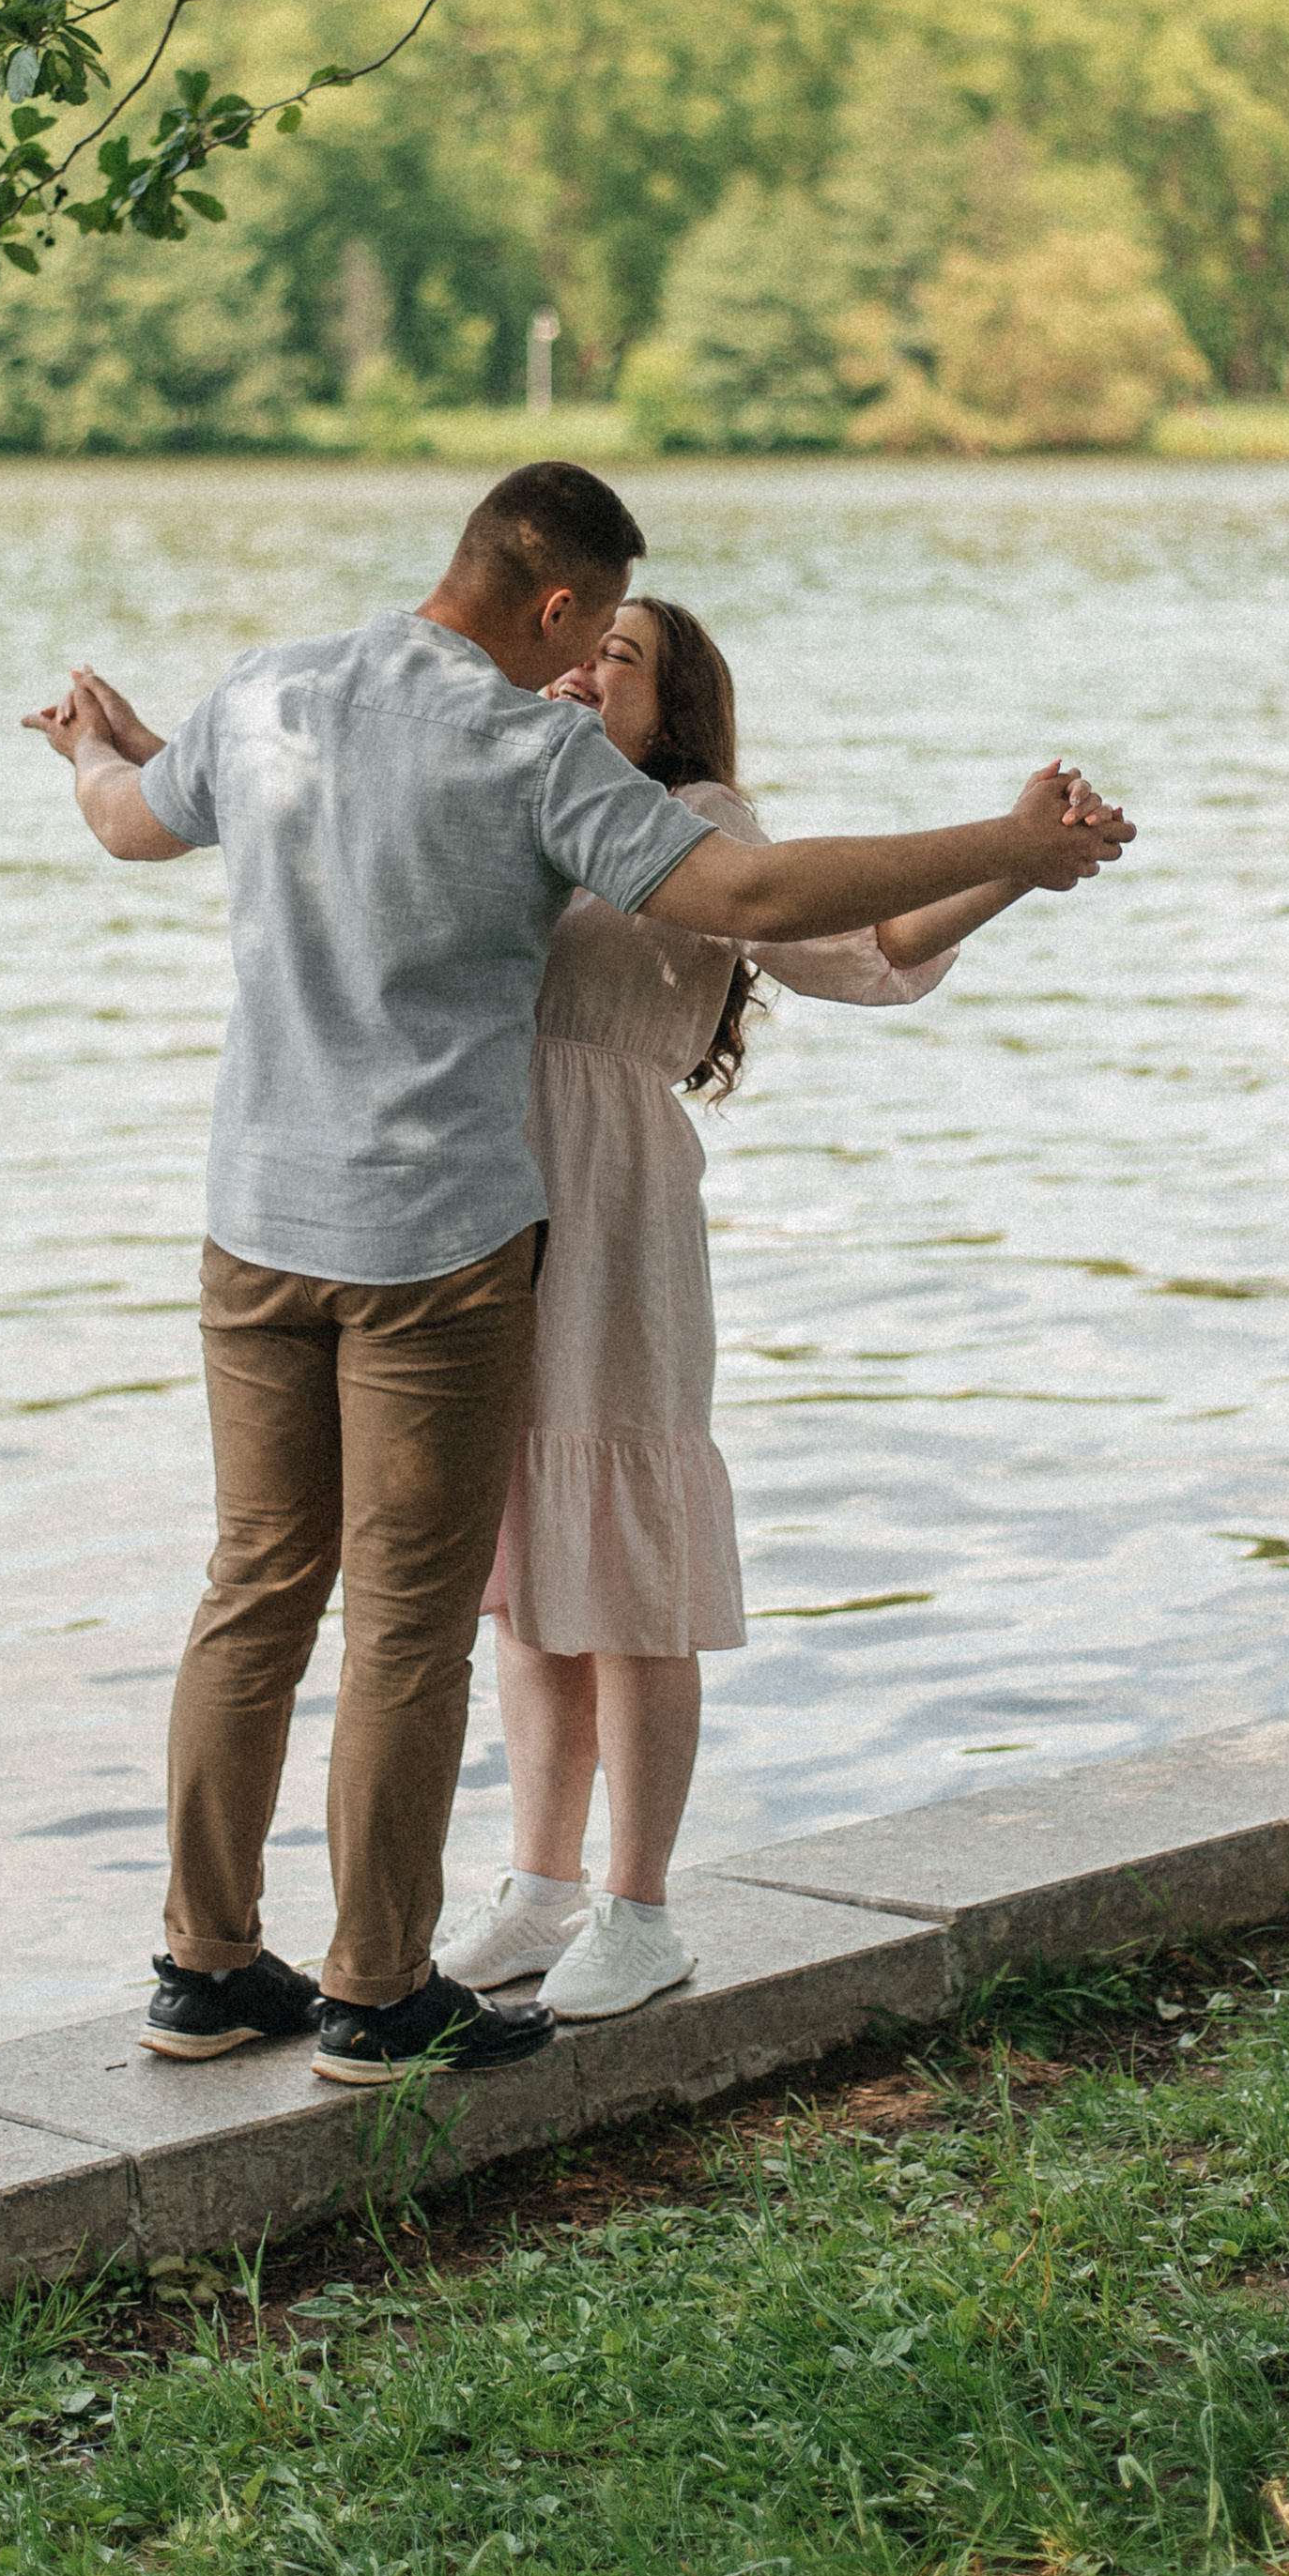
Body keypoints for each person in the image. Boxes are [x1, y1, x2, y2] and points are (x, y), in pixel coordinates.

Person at [23, 461, 1134, 2091]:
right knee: (412, 1622)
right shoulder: (520, 745)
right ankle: (379, 1993)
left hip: (254, 1223)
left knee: (257, 1586)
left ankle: (201, 1966)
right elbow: (751, 896)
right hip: (437, 1241)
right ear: (557, 606)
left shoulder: (268, 694)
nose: (596, 657)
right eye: (598, 629)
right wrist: (1009, 836)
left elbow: (129, 825)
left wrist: (94, 749)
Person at [438, 596, 1054, 2021]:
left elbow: (873, 949)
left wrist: (1015, 865)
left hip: (611, 1196)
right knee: (527, 1560)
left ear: (674, 709)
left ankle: (639, 1908)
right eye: (580, 649)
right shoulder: (513, 793)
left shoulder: (700, 821)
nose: (589, 671)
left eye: (626, 660)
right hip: (486, 1192)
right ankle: (538, 1891)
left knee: (629, 1563)